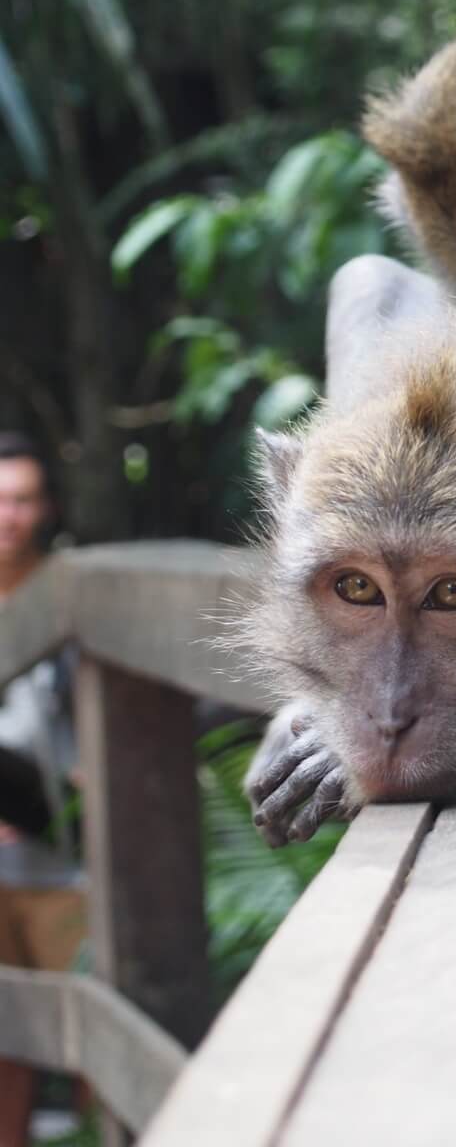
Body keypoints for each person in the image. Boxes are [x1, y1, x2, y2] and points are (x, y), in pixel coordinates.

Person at [0, 433, 85, 1147]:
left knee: (90, 1030)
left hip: (69, 858)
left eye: (23, 500)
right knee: (4, 1047)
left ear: (46, 508)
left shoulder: (75, 596)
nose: (9, 517)